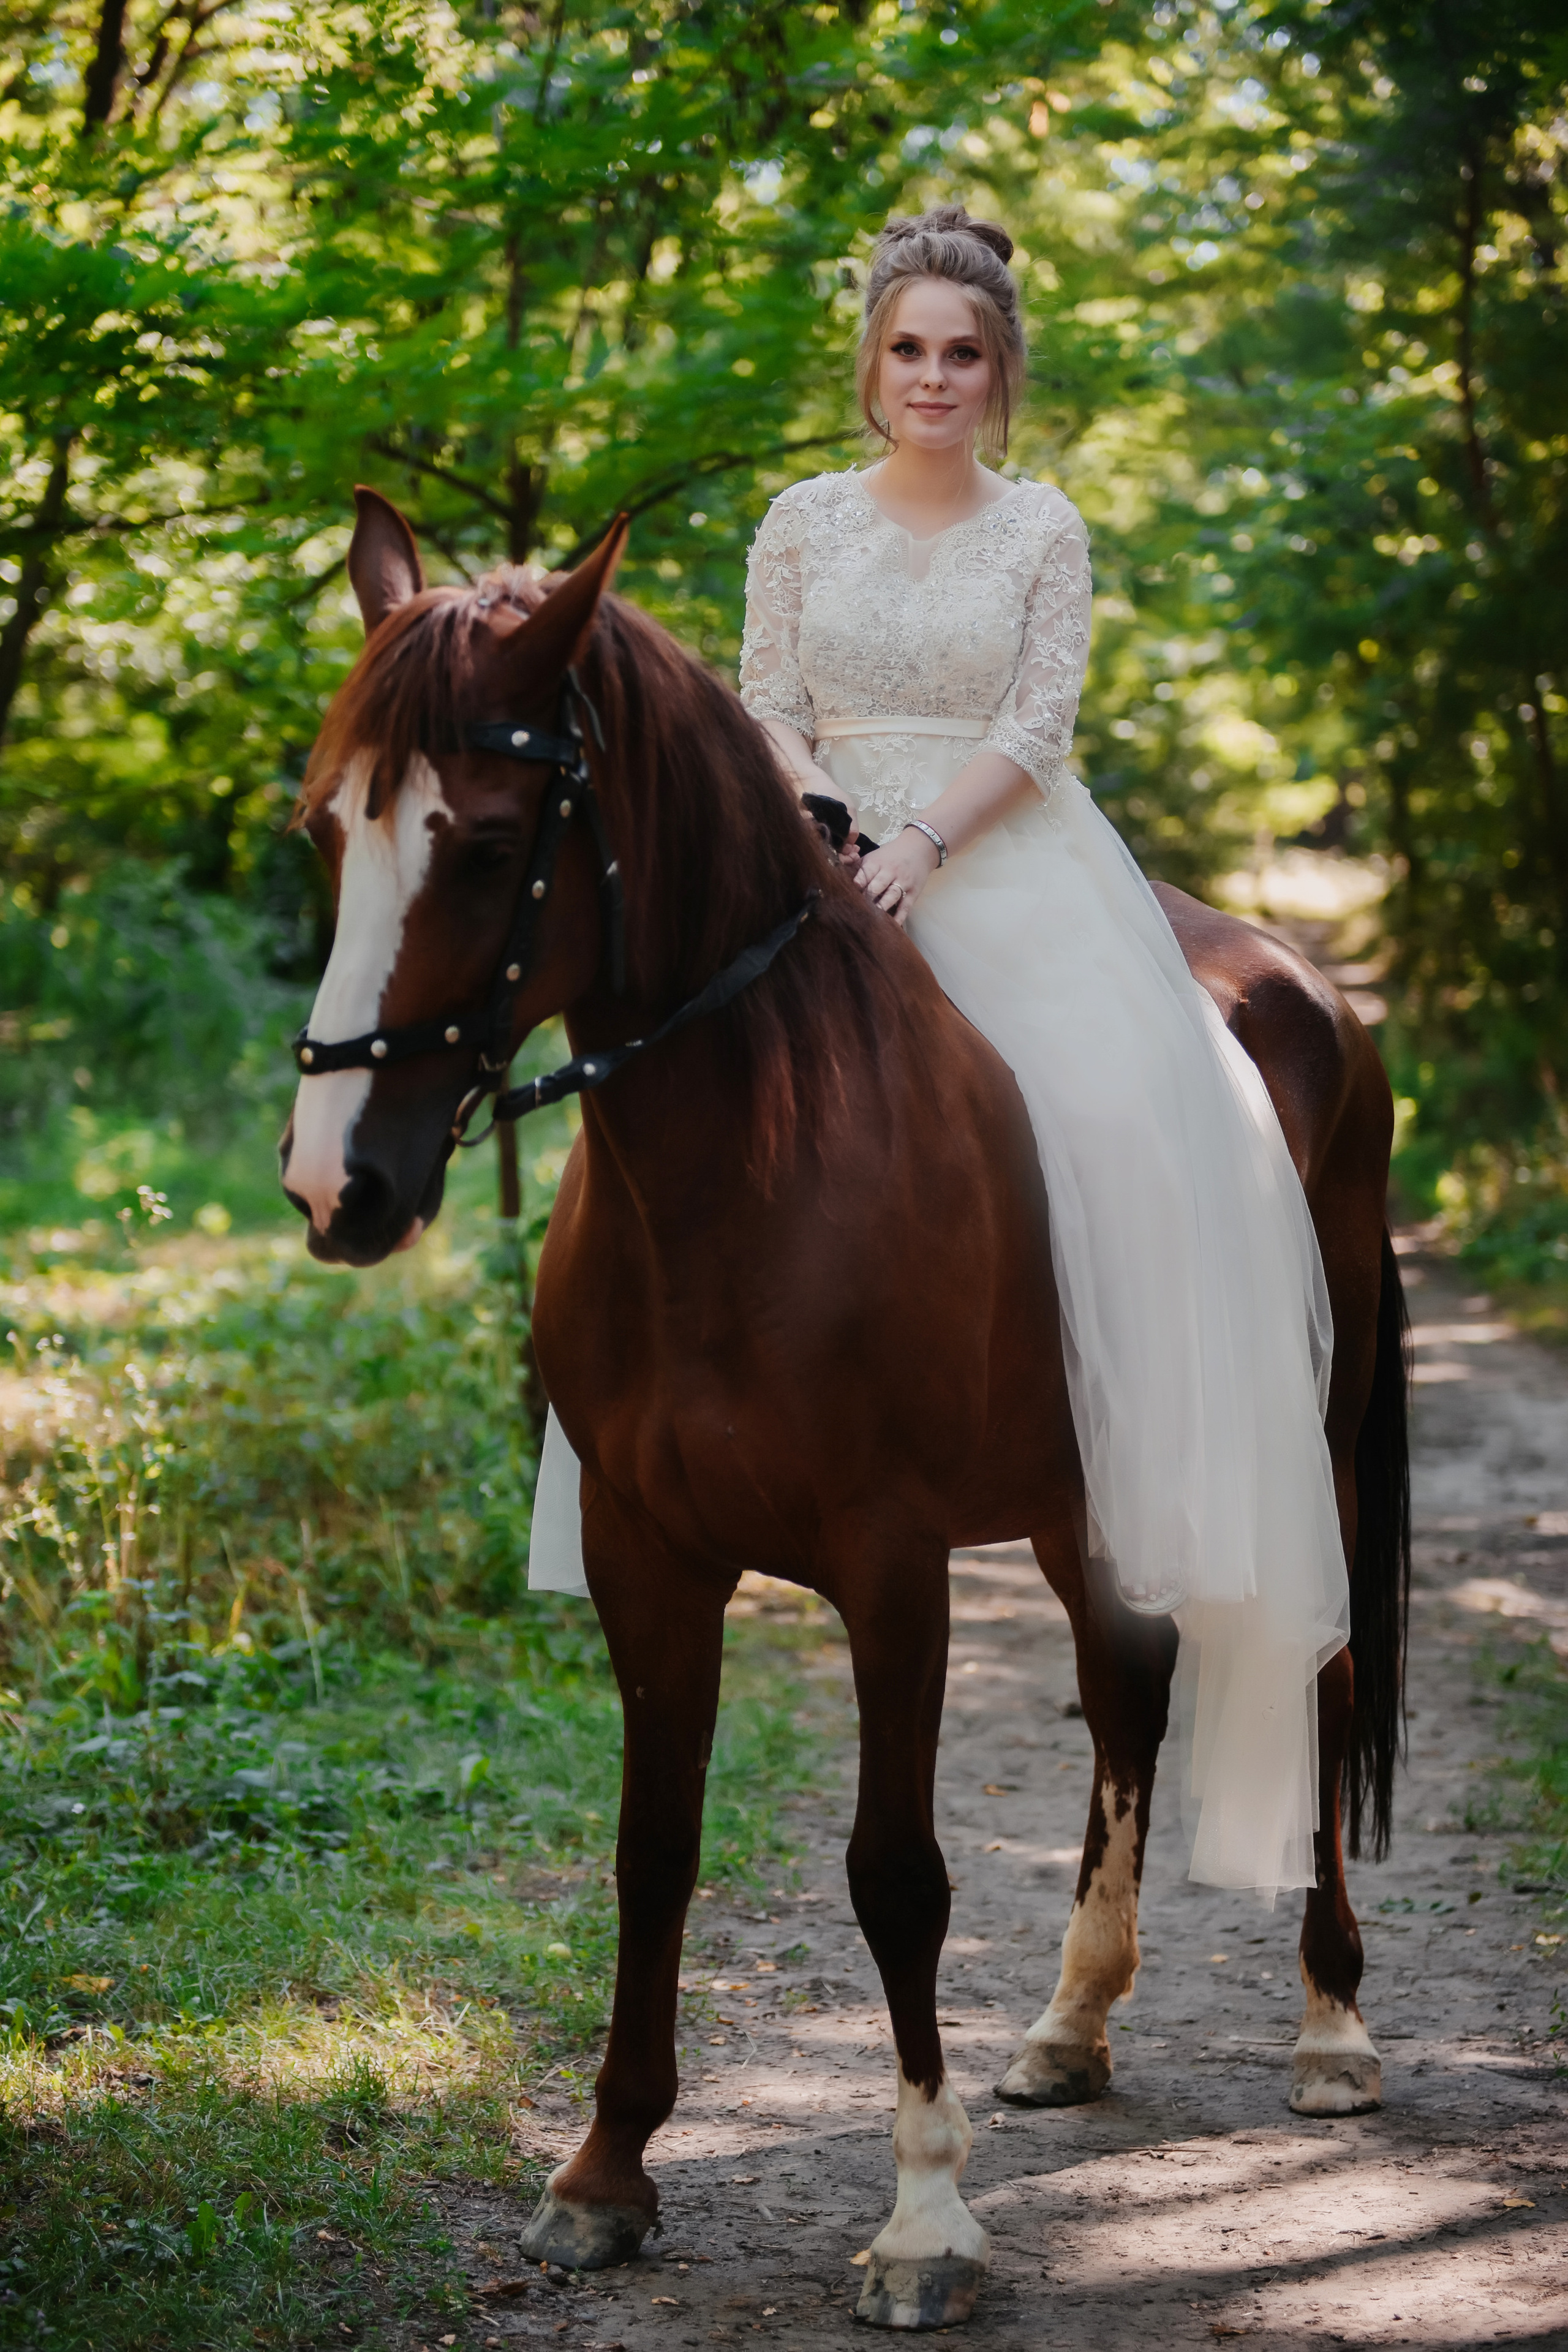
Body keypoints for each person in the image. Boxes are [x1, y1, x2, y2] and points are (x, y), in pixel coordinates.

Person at [532, 206, 1349, 1904]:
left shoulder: (1042, 527)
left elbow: (1036, 724)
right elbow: (764, 695)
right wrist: (821, 809)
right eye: (907, 349)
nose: (932, 377)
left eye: (962, 354)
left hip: (1008, 855)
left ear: (1000, 373)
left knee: (1122, 1111)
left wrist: (920, 843)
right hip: (812, 857)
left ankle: (1142, 1435)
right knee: (674, 1118)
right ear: (872, 366)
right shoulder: (800, 519)